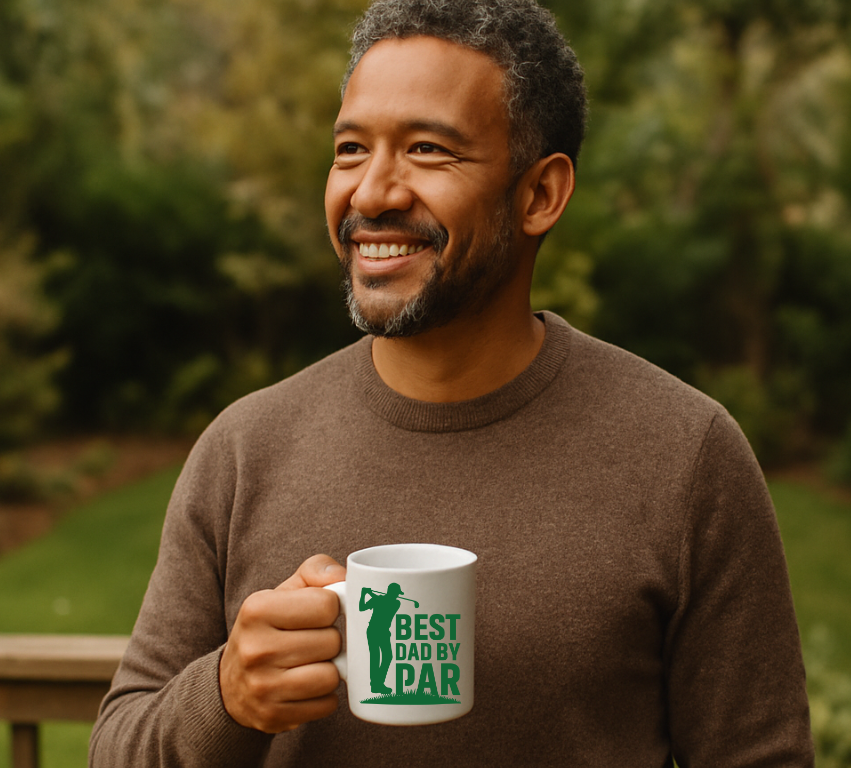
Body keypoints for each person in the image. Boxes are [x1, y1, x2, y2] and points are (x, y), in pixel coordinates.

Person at [89, 0, 813, 765]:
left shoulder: (686, 456)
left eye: (428, 150)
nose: (372, 193)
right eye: (350, 149)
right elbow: (117, 747)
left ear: (540, 195)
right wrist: (226, 698)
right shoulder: (243, 450)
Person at [359, 583, 406, 694]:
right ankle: (376, 685)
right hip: (373, 630)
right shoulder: (378, 599)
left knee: (387, 656)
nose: (397, 596)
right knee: (375, 657)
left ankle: (377, 683)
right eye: (396, 593)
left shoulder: (396, 603)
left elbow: (385, 603)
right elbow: (362, 607)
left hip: (384, 631)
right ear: (391, 592)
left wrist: (368, 593)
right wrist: (363, 595)